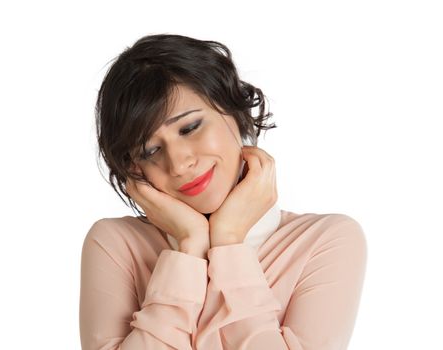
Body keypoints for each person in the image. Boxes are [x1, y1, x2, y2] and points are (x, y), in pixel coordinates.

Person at [79, 33, 367, 350]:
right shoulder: (116, 244)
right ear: (135, 168)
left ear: (232, 109)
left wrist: (229, 241)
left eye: (190, 127)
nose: (178, 163)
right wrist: (189, 246)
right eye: (150, 151)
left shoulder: (326, 240)